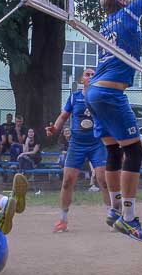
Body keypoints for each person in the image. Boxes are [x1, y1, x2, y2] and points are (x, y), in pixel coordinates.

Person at [85, 0, 142, 243]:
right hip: (109, 94)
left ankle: (115, 210)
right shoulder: (128, 12)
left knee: (114, 151)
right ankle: (129, 219)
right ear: (120, 1)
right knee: (135, 152)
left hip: (95, 92)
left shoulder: (107, 26)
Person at [46, 68, 110, 233]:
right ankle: (63, 220)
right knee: (67, 181)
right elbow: (63, 116)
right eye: (87, 74)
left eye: (93, 74)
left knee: (103, 180)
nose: (90, 76)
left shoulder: (102, 98)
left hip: (97, 144)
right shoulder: (74, 97)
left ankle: (114, 217)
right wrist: (54, 129)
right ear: (82, 79)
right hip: (77, 144)